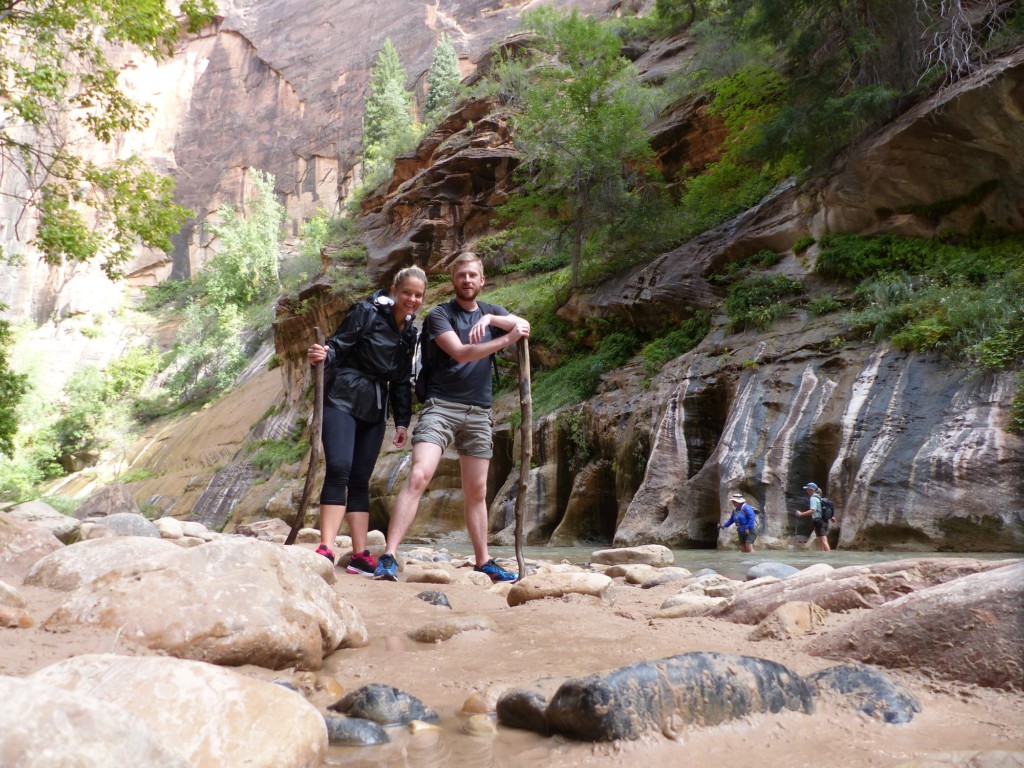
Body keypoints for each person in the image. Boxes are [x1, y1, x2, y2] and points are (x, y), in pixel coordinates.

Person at [374, 252, 530, 582]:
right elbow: (460, 351)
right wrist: (504, 338)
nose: (467, 280)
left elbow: (523, 325)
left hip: (478, 411)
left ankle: (483, 560)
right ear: (454, 280)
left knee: (477, 492)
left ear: (482, 280)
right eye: (461, 275)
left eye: (473, 275)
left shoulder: (490, 311)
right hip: (441, 406)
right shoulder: (439, 315)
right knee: (419, 475)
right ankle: (388, 555)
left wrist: (491, 321)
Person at [306, 266, 426, 573]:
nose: (411, 299)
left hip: (374, 406)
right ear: (394, 290)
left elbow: (400, 380)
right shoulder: (365, 312)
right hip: (342, 397)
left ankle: (359, 555)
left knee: (361, 478)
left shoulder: (410, 333)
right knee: (339, 469)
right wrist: (323, 355)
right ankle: (327, 547)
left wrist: (401, 421)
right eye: (407, 293)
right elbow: (340, 345)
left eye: (418, 295)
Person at [794, 481, 831, 552]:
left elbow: (813, 510)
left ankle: (828, 558)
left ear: (812, 490)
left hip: (818, 521)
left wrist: (801, 514)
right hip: (823, 521)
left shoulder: (813, 498)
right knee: (821, 541)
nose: (807, 490)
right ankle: (824, 556)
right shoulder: (819, 497)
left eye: (807, 489)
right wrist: (831, 517)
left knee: (823, 541)